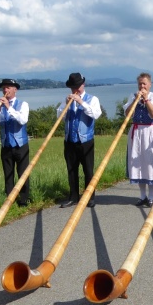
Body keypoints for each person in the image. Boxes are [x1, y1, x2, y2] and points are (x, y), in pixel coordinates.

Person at [57, 72, 102, 208]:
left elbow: (96, 114)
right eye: (72, 87)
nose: (74, 89)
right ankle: (73, 197)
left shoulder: (92, 99)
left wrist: (81, 102)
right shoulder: (66, 99)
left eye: (77, 86)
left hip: (85, 140)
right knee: (71, 169)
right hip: (70, 140)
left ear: (83, 84)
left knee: (88, 170)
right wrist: (65, 105)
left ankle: (90, 197)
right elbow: (60, 117)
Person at [123, 73, 153, 207]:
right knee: (138, 162)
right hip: (136, 132)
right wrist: (135, 101)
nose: (142, 86)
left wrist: (146, 100)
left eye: (144, 83)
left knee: (150, 162)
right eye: (140, 83)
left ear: (150, 84)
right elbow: (127, 114)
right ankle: (142, 196)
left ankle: (151, 196)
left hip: (150, 131)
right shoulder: (133, 96)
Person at [0, 78, 30, 206]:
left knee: (23, 173)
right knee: (8, 174)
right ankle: (9, 200)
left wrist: (8, 107)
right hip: (6, 144)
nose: (5, 90)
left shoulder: (23, 104)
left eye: (8, 87)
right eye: (3, 88)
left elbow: (22, 120)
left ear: (15, 90)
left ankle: (24, 200)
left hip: (20, 145)